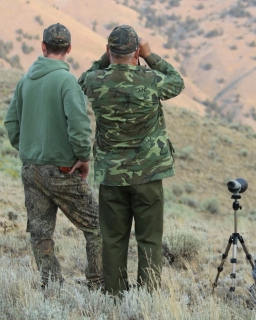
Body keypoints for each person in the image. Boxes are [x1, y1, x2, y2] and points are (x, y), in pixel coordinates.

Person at [78, 25, 184, 296]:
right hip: (148, 175)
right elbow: (176, 81)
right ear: (136, 51)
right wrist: (150, 56)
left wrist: (106, 59)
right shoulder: (150, 79)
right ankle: (147, 299)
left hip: (112, 177)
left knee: (113, 240)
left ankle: (114, 297)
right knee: (149, 240)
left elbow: (82, 79)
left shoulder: (96, 81)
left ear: (108, 50)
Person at [4, 23, 103, 290]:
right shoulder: (67, 81)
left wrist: (30, 150)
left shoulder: (25, 80)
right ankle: (97, 284)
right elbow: (79, 125)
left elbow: (11, 123)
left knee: (40, 233)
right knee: (97, 226)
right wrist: (83, 157)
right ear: (69, 49)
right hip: (62, 171)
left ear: (43, 47)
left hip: (31, 169)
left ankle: (52, 286)